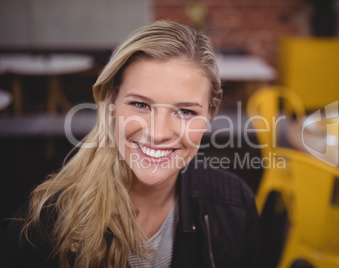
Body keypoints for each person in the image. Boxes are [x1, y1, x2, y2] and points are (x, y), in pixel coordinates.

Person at [0, 20, 259, 267]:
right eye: (140, 104)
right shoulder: (43, 227)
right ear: (113, 101)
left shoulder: (235, 205)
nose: (158, 134)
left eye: (186, 111)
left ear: (209, 117)